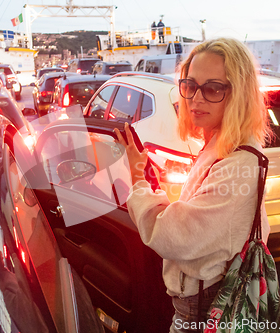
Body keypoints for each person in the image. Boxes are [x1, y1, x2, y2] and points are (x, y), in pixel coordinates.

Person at [114, 37, 271, 332]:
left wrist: (137, 178)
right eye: (190, 85)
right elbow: (194, 214)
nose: (196, 98)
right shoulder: (221, 145)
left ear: (239, 94)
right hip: (201, 300)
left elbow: (173, 236)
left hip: (207, 307)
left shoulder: (238, 164)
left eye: (213, 88)